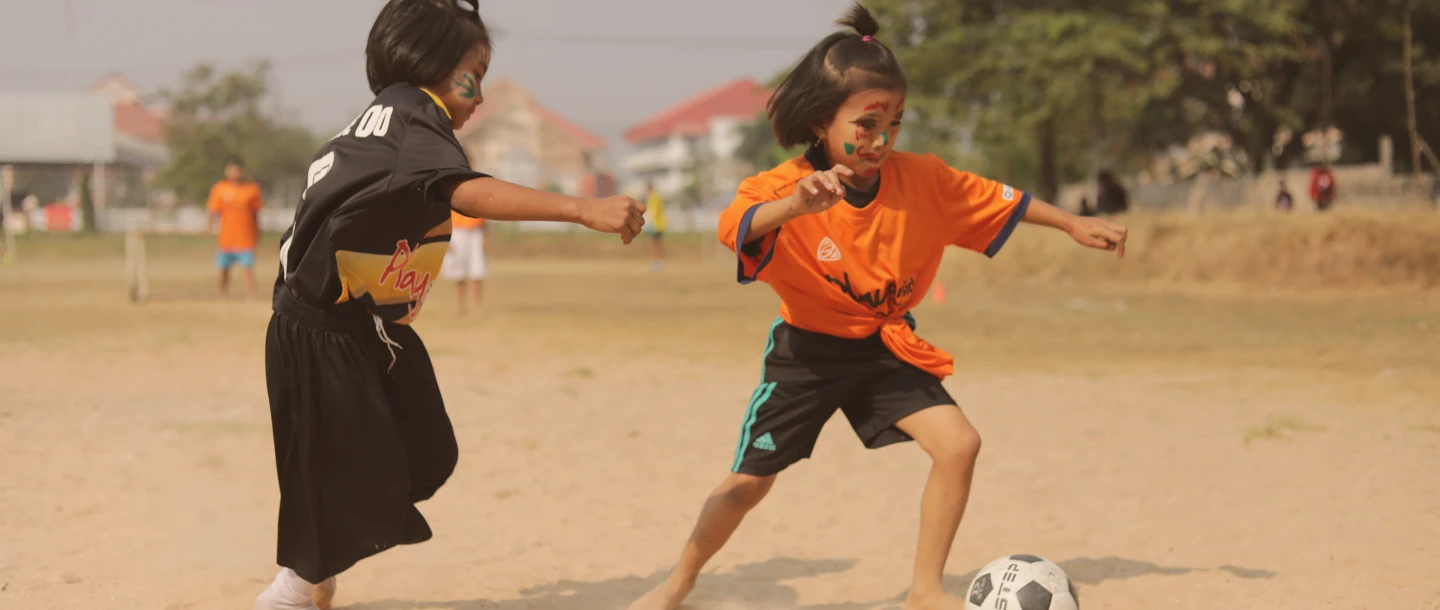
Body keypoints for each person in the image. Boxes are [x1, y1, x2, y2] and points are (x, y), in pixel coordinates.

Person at [628, 5, 1127, 610]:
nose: (883, 138)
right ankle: (679, 580)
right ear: (820, 121)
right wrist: (796, 208)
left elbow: (1003, 201)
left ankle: (923, 591)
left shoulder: (924, 180)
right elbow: (737, 227)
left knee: (959, 445)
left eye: (895, 120)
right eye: (867, 123)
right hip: (807, 356)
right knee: (744, 488)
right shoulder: (783, 187)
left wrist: (1072, 222)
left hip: (885, 347)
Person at [255, 1, 645, 608]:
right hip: (322, 331)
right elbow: (467, 192)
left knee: (426, 453)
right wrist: (582, 208)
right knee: (367, 466)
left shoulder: (382, 121)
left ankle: (319, 560)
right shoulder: (413, 117)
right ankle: (295, 588)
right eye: (476, 73)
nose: (479, 95)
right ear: (433, 62)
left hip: (358, 328)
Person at [207, 157, 264, 298]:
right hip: (227, 237)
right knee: (223, 269)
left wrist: (257, 229)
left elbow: (256, 212)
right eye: (232, 171)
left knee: (248, 268)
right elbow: (213, 211)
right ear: (226, 172)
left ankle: (251, 294)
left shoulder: (252, 189)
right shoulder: (220, 189)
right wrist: (209, 227)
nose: (235, 173)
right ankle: (221, 293)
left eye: (238, 170)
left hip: (245, 236)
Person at [441, 209, 487, 315]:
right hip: (457, 230)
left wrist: (485, 235)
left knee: (477, 271)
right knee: (458, 273)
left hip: (476, 230)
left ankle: (477, 306)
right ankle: (460, 306)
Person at [645, 181, 667, 270]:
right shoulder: (654, 197)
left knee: (655, 244)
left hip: (656, 224)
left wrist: (648, 222)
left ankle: (658, 261)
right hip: (656, 224)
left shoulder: (655, 198)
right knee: (655, 243)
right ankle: (656, 261)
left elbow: (654, 212)